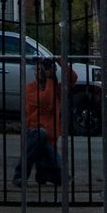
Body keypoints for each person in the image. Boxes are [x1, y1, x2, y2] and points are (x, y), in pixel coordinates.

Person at [16, 57, 65, 190]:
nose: (41, 72)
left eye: (43, 69)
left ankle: (43, 173)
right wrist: (49, 79)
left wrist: (60, 61)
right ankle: (20, 174)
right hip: (34, 132)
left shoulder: (56, 88)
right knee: (40, 134)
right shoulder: (30, 89)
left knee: (61, 178)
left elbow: (73, 78)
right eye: (38, 69)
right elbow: (45, 100)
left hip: (49, 139)